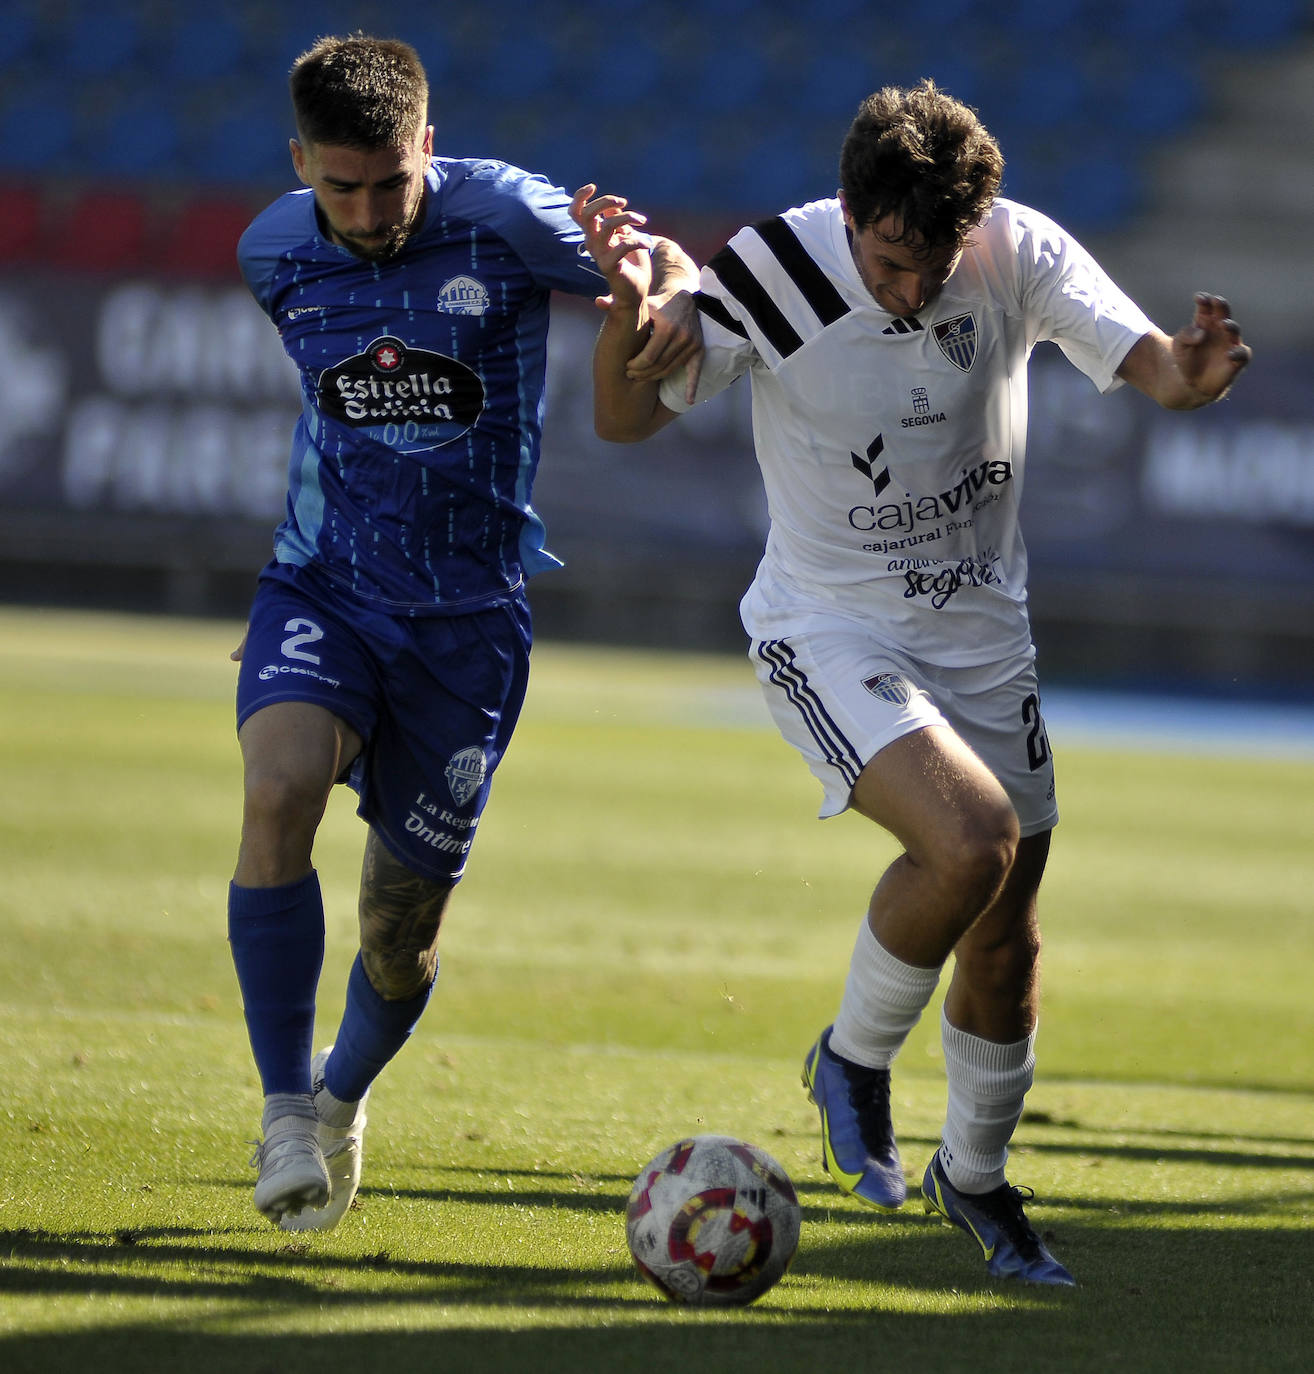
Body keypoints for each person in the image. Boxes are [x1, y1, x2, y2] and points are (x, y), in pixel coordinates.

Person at [572, 79, 1250, 1286]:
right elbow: (624, 420)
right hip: (826, 626)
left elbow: (1150, 364)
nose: (910, 286)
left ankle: (977, 1183)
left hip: (986, 634)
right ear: (850, 212)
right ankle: (852, 1058)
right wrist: (628, 324)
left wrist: (1189, 374)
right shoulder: (775, 268)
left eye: (932, 262)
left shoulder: (1016, 250)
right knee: (971, 838)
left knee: (1006, 944)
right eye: (888, 260)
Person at [229, 34, 700, 1230]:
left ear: (426, 146)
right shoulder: (271, 251)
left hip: (468, 630)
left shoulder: (503, 217)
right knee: (278, 791)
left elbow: (659, 265)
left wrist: (651, 286)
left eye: (393, 181)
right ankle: (285, 1111)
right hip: (325, 590)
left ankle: (339, 1099)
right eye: (342, 186)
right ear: (300, 166)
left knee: (399, 934)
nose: (372, 210)